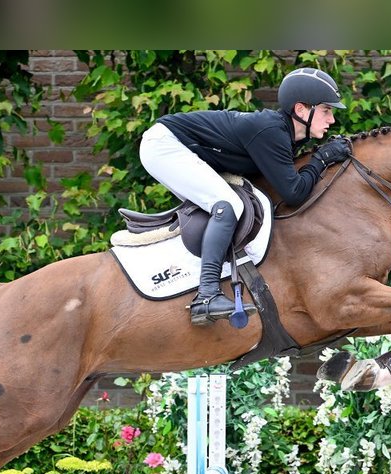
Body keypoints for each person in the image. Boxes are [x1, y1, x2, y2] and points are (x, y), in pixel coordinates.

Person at [139, 66, 353, 325]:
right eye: (326, 111)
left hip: (177, 146)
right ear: (300, 110)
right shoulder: (272, 131)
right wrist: (322, 158)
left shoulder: (284, 134)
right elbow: (294, 193)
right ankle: (206, 296)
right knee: (226, 205)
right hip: (165, 146)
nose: (331, 120)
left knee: (231, 204)